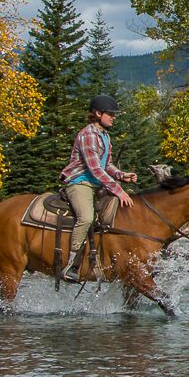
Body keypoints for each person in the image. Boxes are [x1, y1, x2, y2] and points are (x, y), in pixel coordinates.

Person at [59, 94, 137, 282]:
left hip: (95, 184)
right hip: (79, 182)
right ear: (97, 113)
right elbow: (94, 169)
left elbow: (106, 165)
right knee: (86, 218)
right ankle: (71, 264)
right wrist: (119, 190)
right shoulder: (88, 135)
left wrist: (121, 175)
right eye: (110, 114)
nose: (113, 117)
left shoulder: (104, 136)